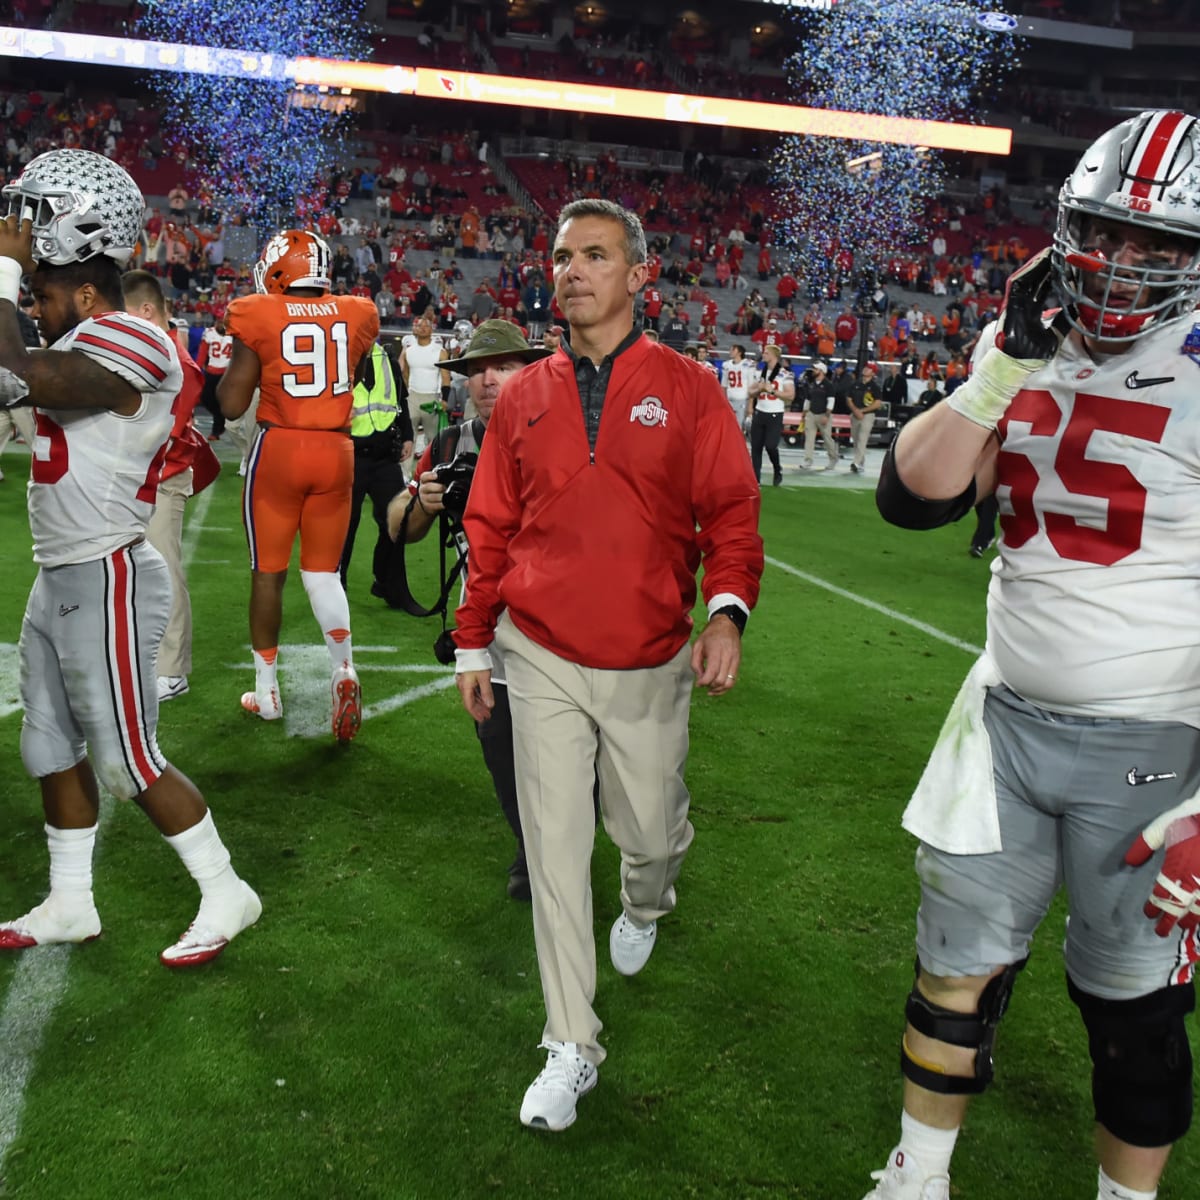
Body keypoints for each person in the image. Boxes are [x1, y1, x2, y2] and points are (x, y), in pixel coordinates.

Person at [865, 110, 1200, 1200]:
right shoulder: (1023, 334)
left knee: (1132, 1013)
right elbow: (911, 500)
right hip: (1003, 723)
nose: (1123, 265)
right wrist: (1002, 365)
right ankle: (918, 1177)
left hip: (1154, 745)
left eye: (1161, 247)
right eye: (1107, 232)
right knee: (949, 973)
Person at [452, 198, 763, 1133]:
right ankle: (569, 1043)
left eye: (595, 255)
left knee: (651, 836)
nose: (571, 269)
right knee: (552, 851)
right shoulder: (522, 395)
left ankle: (647, 897)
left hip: (649, 655)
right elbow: (489, 526)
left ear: (638, 276)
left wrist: (726, 614)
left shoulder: (692, 387)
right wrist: (474, 636)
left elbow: (733, 515)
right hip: (537, 649)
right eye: (560, 255)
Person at [0, 148, 259, 967]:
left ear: (85, 280)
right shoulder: (88, 332)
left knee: (127, 759)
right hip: (62, 572)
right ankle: (71, 900)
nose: (34, 304)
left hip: (111, 570)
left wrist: (3, 274)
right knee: (47, 744)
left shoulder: (132, 337)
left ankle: (226, 889)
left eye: (44, 292)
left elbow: (9, 378)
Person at [386, 320, 551, 900]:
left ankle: (556, 843)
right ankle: (533, 849)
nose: (487, 380)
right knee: (500, 748)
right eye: (477, 370)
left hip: (557, 627)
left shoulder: (563, 436)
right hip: (485, 633)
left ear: (529, 370)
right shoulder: (451, 444)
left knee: (573, 755)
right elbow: (398, 525)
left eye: (502, 366)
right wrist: (422, 502)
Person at [218, 229, 379, 740]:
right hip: (336, 450)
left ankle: (266, 690)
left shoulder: (257, 312)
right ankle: (344, 668)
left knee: (268, 572)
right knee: (323, 573)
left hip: (282, 448)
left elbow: (231, 404)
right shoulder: (358, 311)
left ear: (278, 269)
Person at [121, 269, 219, 702]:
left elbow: (159, 431)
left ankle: (172, 668)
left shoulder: (177, 360)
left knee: (163, 569)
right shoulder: (158, 350)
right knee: (135, 570)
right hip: (140, 476)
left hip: (162, 477)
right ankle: (142, 654)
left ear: (145, 311)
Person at [340, 340, 412, 598]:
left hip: (384, 457)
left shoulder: (387, 359)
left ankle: (389, 584)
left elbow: (400, 400)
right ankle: (336, 587)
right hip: (348, 454)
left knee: (397, 520)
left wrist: (408, 435)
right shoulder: (336, 356)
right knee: (344, 525)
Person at [396, 311, 448, 470]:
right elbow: (405, 376)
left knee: (432, 438)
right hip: (412, 396)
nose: (424, 328)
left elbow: (446, 377)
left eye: (427, 326)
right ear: (415, 330)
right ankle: (405, 474)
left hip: (431, 397)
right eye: (420, 326)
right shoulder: (408, 351)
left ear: (432, 329)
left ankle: (432, 471)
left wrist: (444, 399)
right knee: (408, 436)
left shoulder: (440, 351)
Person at [749, 342, 792, 486]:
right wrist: (759, 390)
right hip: (760, 412)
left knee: (771, 446)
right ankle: (756, 479)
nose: (763, 355)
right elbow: (750, 392)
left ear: (774, 355)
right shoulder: (760, 372)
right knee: (756, 447)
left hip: (775, 413)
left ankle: (777, 468)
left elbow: (790, 395)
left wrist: (772, 391)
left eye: (766, 353)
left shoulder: (785, 374)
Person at [801, 359, 839, 471]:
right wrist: (804, 412)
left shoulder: (828, 385)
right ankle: (808, 460)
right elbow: (808, 399)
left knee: (827, 438)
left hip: (823, 413)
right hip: (812, 413)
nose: (813, 370)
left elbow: (831, 401)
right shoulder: (812, 384)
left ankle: (833, 458)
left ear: (821, 371)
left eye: (816, 369)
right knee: (809, 438)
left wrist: (827, 415)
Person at [847, 362, 882, 475]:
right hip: (855, 414)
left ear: (873, 373)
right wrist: (855, 410)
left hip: (868, 415)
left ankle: (856, 462)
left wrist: (862, 411)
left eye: (869, 368)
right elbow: (848, 398)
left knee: (862, 438)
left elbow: (877, 404)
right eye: (866, 367)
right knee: (856, 439)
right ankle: (861, 463)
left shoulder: (875, 387)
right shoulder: (855, 384)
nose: (866, 369)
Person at [721, 343, 756, 437]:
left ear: (739, 352)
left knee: (739, 427)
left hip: (742, 399)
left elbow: (751, 386)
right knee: (727, 426)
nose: (730, 352)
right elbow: (724, 385)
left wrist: (750, 404)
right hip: (729, 400)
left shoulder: (748, 364)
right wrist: (724, 401)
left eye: (733, 350)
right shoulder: (726, 365)